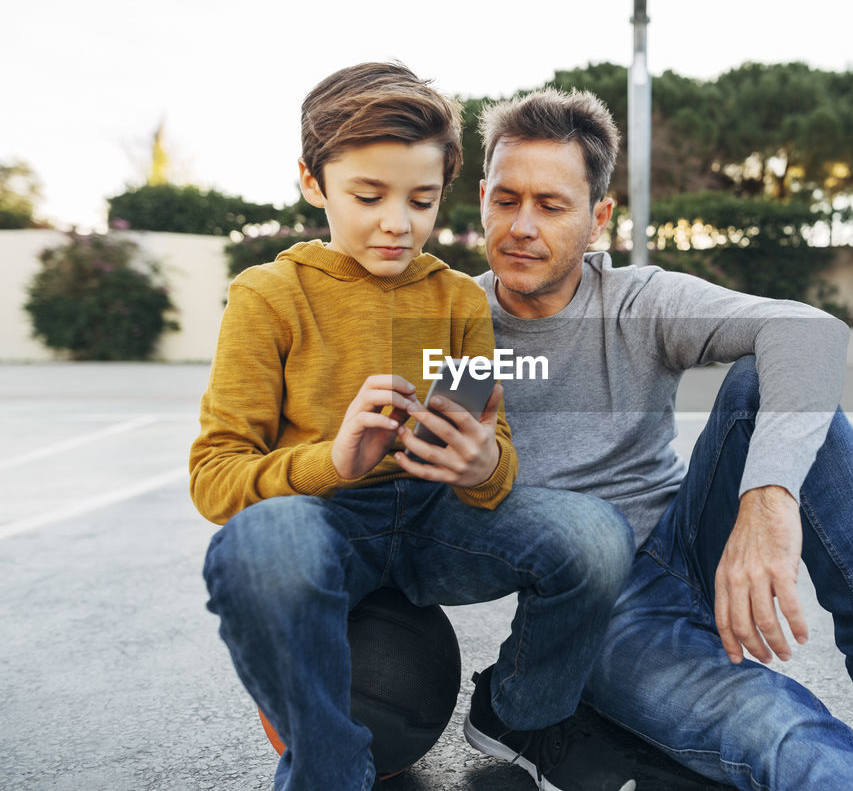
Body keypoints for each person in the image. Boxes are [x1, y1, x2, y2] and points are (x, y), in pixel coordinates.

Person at [469, 87, 853, 791]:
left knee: (767, 379)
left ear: (599, 219)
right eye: (506, 200)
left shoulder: (639, 301)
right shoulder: (458, 325)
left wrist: (768, 495)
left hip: (693, 538)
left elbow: (808, 332)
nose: (522, 226)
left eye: (551, 204)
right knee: (785, 738)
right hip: (603, 606)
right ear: (481, 197)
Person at [190, 63, 637, 791]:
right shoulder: (267, 297)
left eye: (422, 200)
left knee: (595, 536)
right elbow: (215, 477)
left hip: (436, 520)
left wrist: (480, 463)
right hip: (326, 522)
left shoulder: (458, 300)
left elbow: (501, 460)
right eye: (368, 196)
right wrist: (332, 460)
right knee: (261, 542)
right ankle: (326, 769)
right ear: (313, 182)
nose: (396, 222)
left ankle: (527, 714)